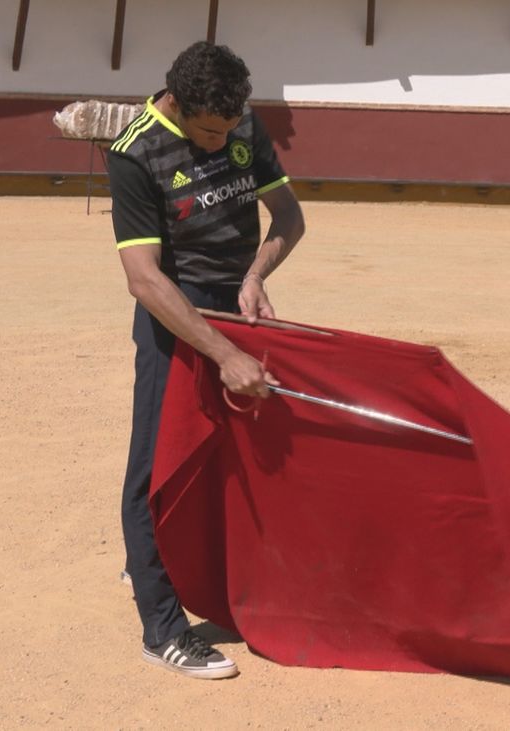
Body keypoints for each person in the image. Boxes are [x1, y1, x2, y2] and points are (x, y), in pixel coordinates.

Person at [107, 41, 305, 679]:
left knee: (238, 459)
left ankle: (204, 577)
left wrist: (255, 274)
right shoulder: (135, 151)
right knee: (155, 468)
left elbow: (289, 218)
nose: (223, 143)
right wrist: (221, 353)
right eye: (210, 133)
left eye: (229, 129)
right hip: (177, 318)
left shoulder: (241, 121)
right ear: (176, 104)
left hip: (235, 307)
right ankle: (161, 628)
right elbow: (144, 280)